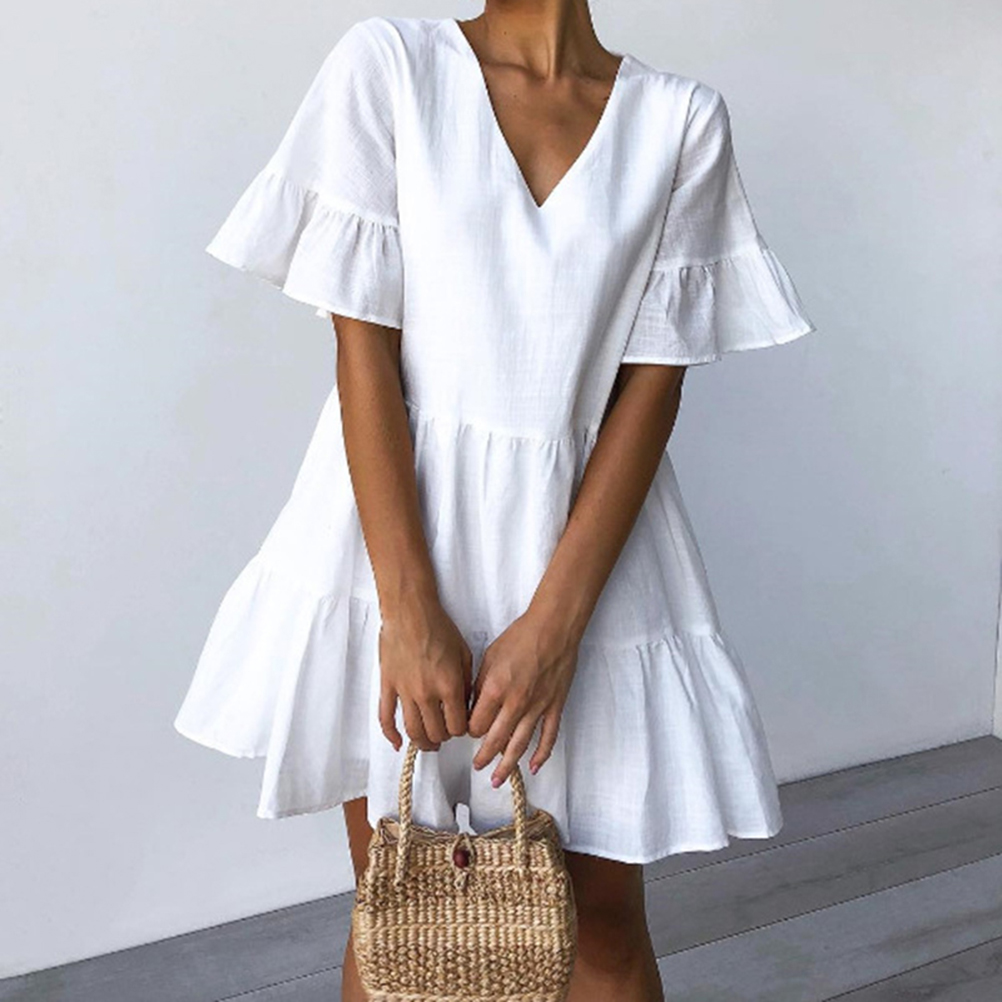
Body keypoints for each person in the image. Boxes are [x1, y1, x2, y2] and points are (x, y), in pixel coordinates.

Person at [174, 4, 817, 999]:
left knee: (603, 926)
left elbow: (654, 385)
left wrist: (557, 627)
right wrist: (406, 610)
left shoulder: (679, 119)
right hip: (393, 547)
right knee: (404, 914)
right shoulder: (392, 66)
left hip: (587, 563)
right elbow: (362, 351)